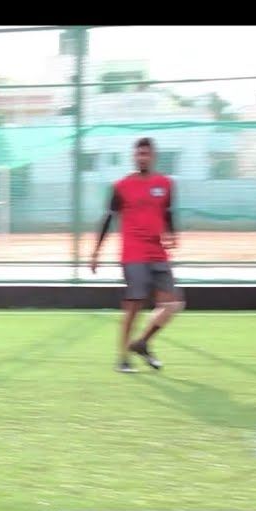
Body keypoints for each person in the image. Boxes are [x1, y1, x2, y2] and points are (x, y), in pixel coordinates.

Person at [89, 137, 183, 373]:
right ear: (134, 157)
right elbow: (108, 218)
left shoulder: (166, 184)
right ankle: (123, 358)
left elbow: (167, 212)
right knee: (134, 305)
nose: (142, 158)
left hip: (158, 253)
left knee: (173, 304)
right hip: (133, 254)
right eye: (139, 154)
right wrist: (96, 252)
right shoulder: (121, 186)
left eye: (146, 154)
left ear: (153, 156)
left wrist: (171, 234)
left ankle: (141, 343)